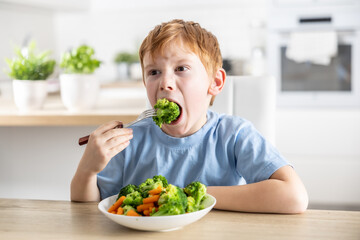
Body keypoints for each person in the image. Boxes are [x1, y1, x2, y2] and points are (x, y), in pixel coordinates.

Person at [71, 19, 308, 213]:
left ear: (215, 82)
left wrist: (193, 195)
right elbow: (89, 210)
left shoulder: (234, 135)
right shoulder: (128, 142)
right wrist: (87, 169)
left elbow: (294, 196)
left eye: (181, 68)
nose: (165, 83)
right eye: (154, 72)